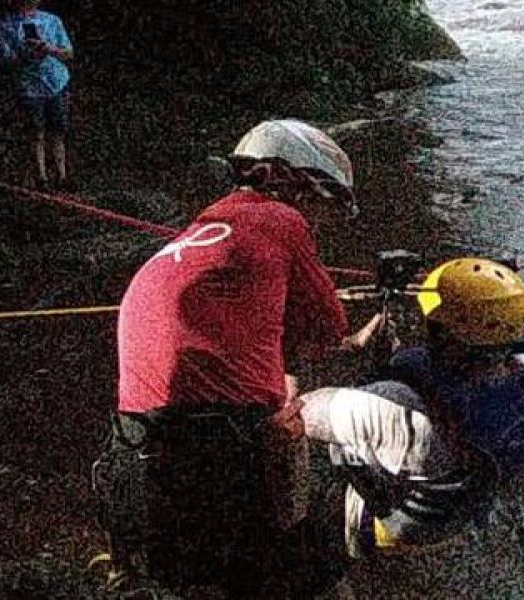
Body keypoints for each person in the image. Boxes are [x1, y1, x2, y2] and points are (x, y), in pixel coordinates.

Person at [93, 119, 379, 597]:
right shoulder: (280, 221)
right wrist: (352, 342)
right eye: (320, 203)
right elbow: (329, 327)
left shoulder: (202, 229)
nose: (318, 221)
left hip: (134, 448)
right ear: (287, 181)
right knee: (315, 573)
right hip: (215, 449)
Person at [299, 258, 524, 562]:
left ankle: (330, 556)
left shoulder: (396, 405)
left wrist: (351, 354)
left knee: (312, 513)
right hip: (466, 507)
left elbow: (296, 416)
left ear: (442, 336)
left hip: (404, 526)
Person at [0, 0, 74, 188]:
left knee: (58, 130)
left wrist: (49, 49)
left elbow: (68, 52)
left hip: (56, 82)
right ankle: (41, 177)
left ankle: (62, 176)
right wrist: (24, 54)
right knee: (36, 131)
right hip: (28, 86)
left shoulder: (52, 20)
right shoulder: (6, 25)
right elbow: (4, 61)